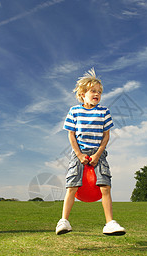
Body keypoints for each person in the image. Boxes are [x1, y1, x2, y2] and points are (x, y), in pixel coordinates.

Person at [56, 68, 126, 236]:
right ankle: (64, 221)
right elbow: (71, 135)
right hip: (78, 152)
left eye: (99, 92)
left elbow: (106, 135)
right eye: (93, 91)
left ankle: (110, 223)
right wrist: (79, 155)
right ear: (82, 94)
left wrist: (98, 154)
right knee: (72, 185)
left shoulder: (104, 112)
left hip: (98, 153)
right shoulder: (74, 111)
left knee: (105, 187)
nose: (97, 94)